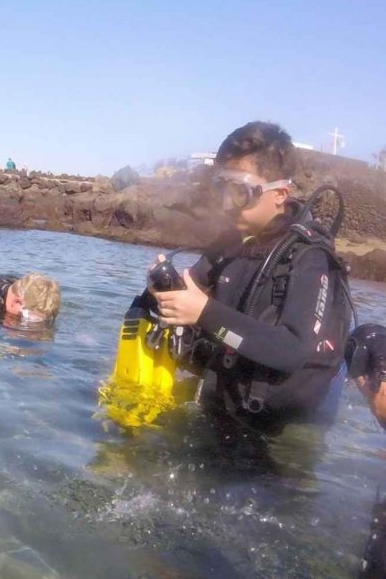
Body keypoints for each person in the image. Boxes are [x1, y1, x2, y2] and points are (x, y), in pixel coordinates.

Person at [149, 121, 352, 433]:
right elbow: (192, 297)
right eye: (221, 189)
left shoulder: (308, 258)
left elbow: (292, 351)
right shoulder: (230, 244)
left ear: (280, 194)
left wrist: (204, 312)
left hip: (276, 436)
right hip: (219, 407)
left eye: (240, 192)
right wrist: (164, 293)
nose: (227, 204)